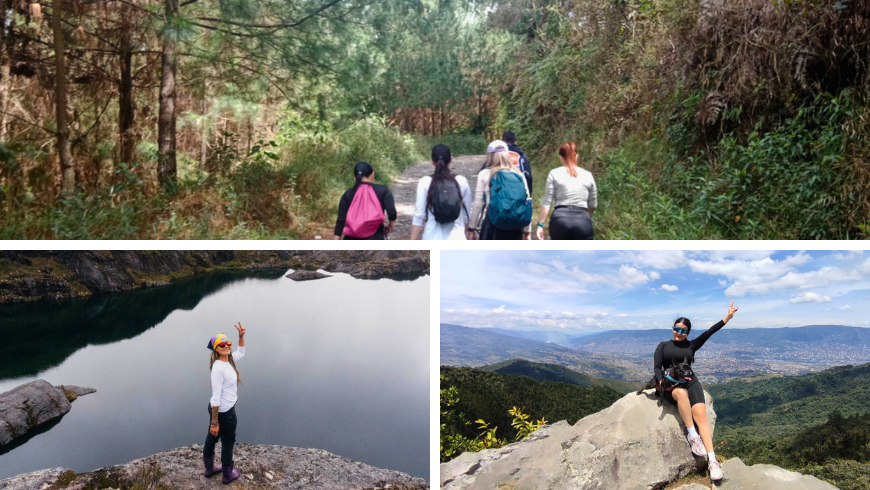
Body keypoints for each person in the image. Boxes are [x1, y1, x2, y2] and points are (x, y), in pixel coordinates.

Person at [654, 302, 739, 482]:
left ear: (688, 333)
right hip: (671, 385)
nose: (679, 333)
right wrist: (661, 382)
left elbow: (710, 331)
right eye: (677, 329)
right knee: (681, 395)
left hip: (690, 381)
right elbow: (656, 367)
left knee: (701, 415)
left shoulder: (692, 345)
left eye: (684, 331)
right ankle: (693, 435)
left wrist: (728, 317)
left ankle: (713, 461)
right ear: (672, 328)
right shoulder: (663, 346)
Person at [203, 322, 247, 484]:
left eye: (228, 343)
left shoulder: (228, 360)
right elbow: (216, 397)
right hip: (223, 411)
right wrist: (215, 422)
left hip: (220, 410)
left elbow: (241, 353)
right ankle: (228, 475)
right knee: (227, 441)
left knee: (213, 436)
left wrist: (240, 337)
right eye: (222, 345)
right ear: (216, 349)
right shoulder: (218, 368)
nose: (227, 346)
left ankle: (209, 469)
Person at [468, 140, 532, 240]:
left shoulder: (485, 174)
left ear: (490, 156)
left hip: (492, 223)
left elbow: (478, 204)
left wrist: (471, 229)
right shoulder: (519, 174)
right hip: (516, 226)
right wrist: (527, 231)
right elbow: (526, 202)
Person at [535, 142, 597, 240]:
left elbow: (547, 202)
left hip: (560, 221)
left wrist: (540, 225)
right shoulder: (588, 175)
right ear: (576, 156)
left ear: (560, 157)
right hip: (583, 222)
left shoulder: (554, 173)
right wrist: (583, 216)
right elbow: (593, 205)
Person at [411, 144, 472, 240]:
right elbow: (466, 214)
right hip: (456, 237)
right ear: (451, 160)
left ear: (432, 161)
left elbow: (419, 214)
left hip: (431, 237)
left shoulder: (425, 181)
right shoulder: (461, 181)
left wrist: (412, 240)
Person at [334, 162, 397, 240]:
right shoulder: (383, 190)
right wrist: (391, 224)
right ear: (372, 174)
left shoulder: (348, 193)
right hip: (375, 238)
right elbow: (391, 212)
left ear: (355, 178)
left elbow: (340, 221)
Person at [479, 131, 533, 198]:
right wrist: (529, 196)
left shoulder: (496, 154)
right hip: (517, 194)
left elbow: (484, 170)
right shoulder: (521, 156)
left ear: (503, 142)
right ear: (515, 142)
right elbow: (528, 176)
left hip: (497, 194)